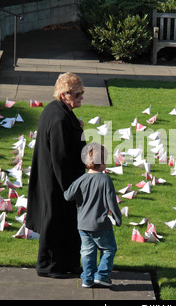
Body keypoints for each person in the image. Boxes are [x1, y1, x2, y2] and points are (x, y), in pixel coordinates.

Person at [26, 72, 86, 278]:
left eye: (81, 94)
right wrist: (70, 188)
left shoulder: (56, 111)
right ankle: (49, 266)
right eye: (77, 94)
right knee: (56, 223)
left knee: (65, 223)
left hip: (54, 179)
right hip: (58, 182)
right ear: (64, 95)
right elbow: (61, 157)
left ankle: (67, 263)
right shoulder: (59, 117)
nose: (81, 98)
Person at [64, 142, 122, 288]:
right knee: (108, 249)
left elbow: (67, 196)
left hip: (83, 225)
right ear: (102, 163)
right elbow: (111, 202)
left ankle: (87, 279)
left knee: (87, 252)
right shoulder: (105, 180)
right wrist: (117, 218)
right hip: (100, 224)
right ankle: (102, 276)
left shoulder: (81, 179)